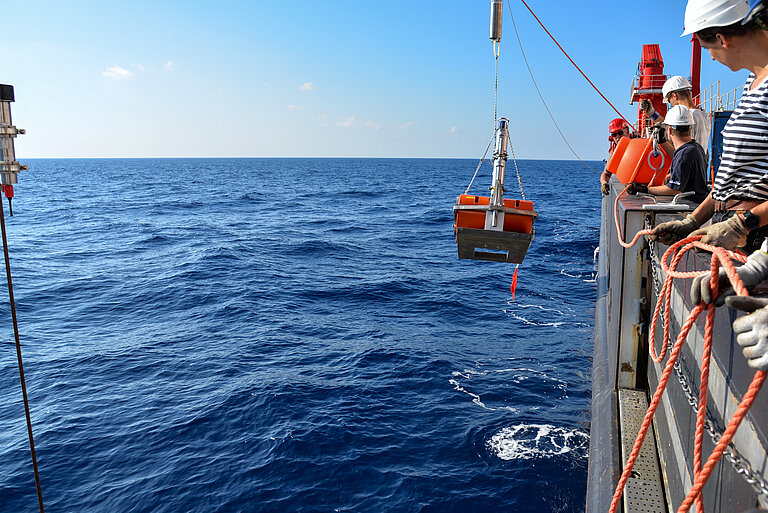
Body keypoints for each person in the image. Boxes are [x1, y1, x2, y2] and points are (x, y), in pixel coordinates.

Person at [651, 0, 768, 253]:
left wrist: (743, 225)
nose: (711, 57)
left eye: (707, 48)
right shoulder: (752, 83)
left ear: (721, 38)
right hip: (732, 226)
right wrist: (692, 221)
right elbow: (730, 179)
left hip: (754, 234)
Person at [627, 105, 709, 202]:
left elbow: (674, 189)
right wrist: (663, 141)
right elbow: (678, 156)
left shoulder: (684, 155)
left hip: (691, 205)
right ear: (690, 127)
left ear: (669, 130)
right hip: (700, 201)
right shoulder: (695, 148)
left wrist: (644, 189)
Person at [640, 76, 711, 158]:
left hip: (686, 167)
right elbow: (671, 126)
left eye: (670, 101)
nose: (672, 104)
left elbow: (679, 155)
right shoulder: (703, 114)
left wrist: (662, 141)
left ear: (675, 95)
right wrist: (653, 114)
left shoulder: (690, 117)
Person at [600, 118, 631, 195]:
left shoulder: (639, 144)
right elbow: (606, 174)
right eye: (614, 135)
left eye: (620, 133)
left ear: (627, 130)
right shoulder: (615, 154)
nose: (617, 137)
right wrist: (604, 183)